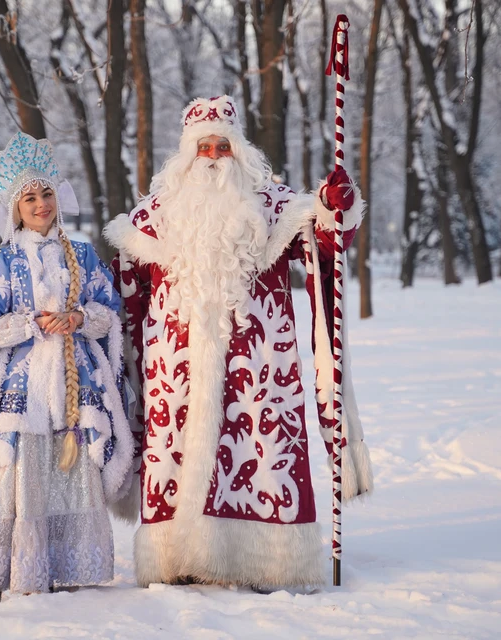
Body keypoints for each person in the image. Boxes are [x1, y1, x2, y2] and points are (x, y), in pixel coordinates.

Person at [103, 96, 373, 590]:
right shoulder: (154, 216)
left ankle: (267, 562)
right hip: (175, 366)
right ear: (186, 155)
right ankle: (178, 558)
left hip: (258, 362)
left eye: (221, 146)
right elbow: (127, 292)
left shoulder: (271, 204)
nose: (211, 156)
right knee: (177, 453)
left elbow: (326, 238)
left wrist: (337, 205)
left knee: (259, 449)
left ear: (238, 150)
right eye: (202, 147)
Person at [0, 133, 134, 606]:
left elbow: (109, 313)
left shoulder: (85, 255)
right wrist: (31, 323)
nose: (40, 204)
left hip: (75, 385)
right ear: (15, 207)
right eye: (29, 197)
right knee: (13, 470)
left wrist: (79, 319)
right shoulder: (4, 261)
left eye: (46, 193)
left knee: (71, 466)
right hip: (24, 387)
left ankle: (70, 565)